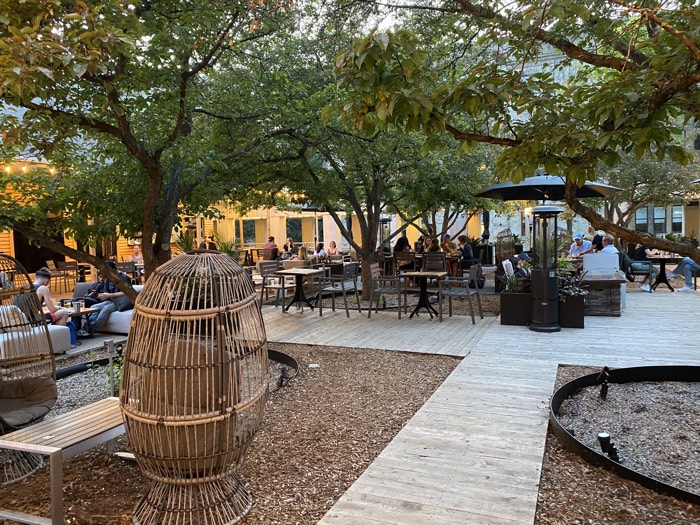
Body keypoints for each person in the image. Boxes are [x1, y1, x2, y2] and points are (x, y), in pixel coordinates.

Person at [81, 260, 130, 335]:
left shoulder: (124, 277)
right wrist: (102, 295)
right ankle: (88, 327)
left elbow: (126, 292)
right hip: (111, 300)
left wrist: (109, 295)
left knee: (106, 309)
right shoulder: (107, 279)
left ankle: (93, 329)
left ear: (113, 269)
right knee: (94, 307)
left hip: (121, 302)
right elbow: (107, 292)